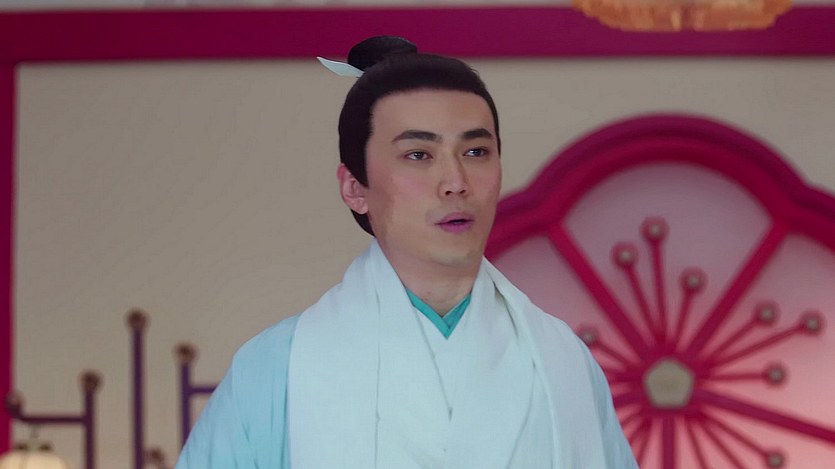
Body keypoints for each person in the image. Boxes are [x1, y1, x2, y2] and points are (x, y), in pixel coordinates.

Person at [175, 36, 638, 469]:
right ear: (354, 188)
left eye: (476, 151)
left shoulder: (564, 361)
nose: (455, 182)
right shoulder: (276, 368)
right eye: (418, 155)